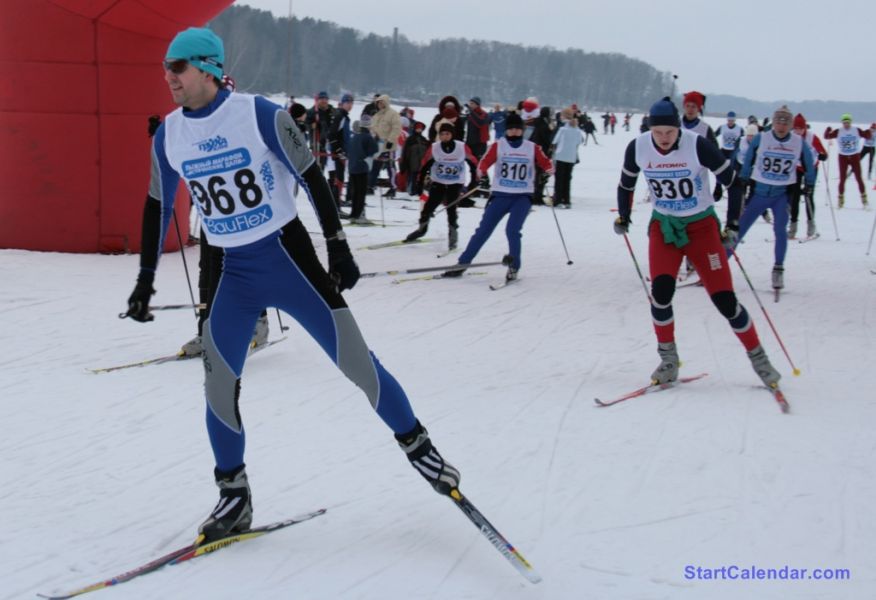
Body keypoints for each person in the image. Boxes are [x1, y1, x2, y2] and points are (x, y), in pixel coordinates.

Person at [125, 28, 460, 542]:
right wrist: (145, 279)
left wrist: (338, 243)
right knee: (218, 383)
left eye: (178, 66)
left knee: (357, 364)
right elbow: (157, 206)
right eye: (165, 66)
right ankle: (233, 497)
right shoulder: (168, 133)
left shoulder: (259, 114)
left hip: (287, 258)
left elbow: (311, 174)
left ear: (208, 69)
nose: (168, 75)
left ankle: (421, 449)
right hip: (230, 272)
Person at [613, 97, 781, 389]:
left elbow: (733, 182)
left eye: (670, 132)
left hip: (701, 229)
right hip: (664, 228)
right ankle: (668, 361)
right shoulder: (638, 146)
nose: (664, 139)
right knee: (661, 294)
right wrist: (624, 216)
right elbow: (626, 184)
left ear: (679, 128)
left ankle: (760, 360)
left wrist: (731, 224)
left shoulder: (697, 144)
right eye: (658, 133)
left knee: (725, 301)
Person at [442, 112, 554, 281]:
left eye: (517, 129)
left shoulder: (532, 147)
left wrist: (548, 171)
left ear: (522, 130)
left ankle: (514, 267)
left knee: (512, 231)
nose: (514, 132)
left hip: (522, 197)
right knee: (483, 231)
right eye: (511, 129)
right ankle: (463, 263)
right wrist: (482, 173)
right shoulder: (498, 145)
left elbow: (547, 164)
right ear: (506, 130)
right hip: (500, 195)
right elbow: (484, 162)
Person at [733, 106, 816, 291]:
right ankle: (720, 264)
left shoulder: (798, 142)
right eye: (778, 121)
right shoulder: (762, 138)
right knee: (740, 227)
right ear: (773, 121)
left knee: (780, 230)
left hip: (781, 195)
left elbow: (809, 162)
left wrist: (809, 183)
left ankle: (778, 269)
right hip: (758, 192)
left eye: (786, 122)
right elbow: (748, 158)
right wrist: (744, 177)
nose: (781, 125)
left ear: (791, 125)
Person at [404, 122, 479, 250]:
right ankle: (421, 230)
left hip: (455, 184)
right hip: (438, 183)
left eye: (447, 134)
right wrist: (419, 183)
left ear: (452, 135)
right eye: (442, 134)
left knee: (451, 210)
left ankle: (453, 237)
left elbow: (473, 163)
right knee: (427, 208)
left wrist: (473, 182)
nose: (444, 136)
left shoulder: (461, 147)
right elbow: (424, 166)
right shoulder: (434, 147)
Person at [788, 114, 828, 239]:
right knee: (794, 197)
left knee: (809, 195)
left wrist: (823, 156)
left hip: (811, 168)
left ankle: (811, 225)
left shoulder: (812, 137)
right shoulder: (791, 137)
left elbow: (823, 152)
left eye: (800, 129)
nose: (798, 131)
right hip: (797, 167)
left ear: (805, 128)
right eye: (796, 128)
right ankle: (793, 227)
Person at [824, 114, 872, 207]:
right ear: (842, 123)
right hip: (843, 157)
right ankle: (840, 199)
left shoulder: (856, 130)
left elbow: (867, 136)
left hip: (854, 156)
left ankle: (864, 198)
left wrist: (868, 132)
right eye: (844, 123)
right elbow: (827, 136)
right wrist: (828, 130)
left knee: (859, 177)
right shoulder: (839, 131)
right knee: (842, 179)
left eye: (848, 122)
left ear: (850, 122)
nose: (846, 124)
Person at [346, 116, 379, 224]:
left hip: (352, 167)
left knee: (355, 192)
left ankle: (353, 214)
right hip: (362, 167)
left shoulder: (354, 136)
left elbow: (348, 150)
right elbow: (375, 150)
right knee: (361, 192)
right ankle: (359, 215)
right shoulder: (367, 137)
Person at [368, 94, 402, 198]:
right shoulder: (376, 115)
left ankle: (393, 187)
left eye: (382, 102)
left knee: (390, 167)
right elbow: (371, 128)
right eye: (378, 102)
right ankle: (370, 186)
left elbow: (397, 128)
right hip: (377, 145)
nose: (380, 104)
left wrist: (391, 140)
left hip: (389, 145)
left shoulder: (393, 114)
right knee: (374, 167)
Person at [551, 107, 585, 208]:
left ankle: (558, 200)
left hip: (561, 156)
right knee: (567, 179)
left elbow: (555, 141)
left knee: (559, 179)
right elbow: (580, 141)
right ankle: (567, 200)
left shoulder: (562, 129)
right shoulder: (577, 130)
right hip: (571, 157)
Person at [327, 93, 354, 211]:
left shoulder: (345, 116)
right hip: (338, 153)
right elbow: (332, 135)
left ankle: (335, 205)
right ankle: (335, 207)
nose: (350, 105)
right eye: (347, 103)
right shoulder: (340, 116)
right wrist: (338, 150)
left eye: (351, 103)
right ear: (342, 103)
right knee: (339, 179)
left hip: (343, 153)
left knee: (340, 178)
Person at [713, 111, 744, 201]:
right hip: (724, 150)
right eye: (729, 120)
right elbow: (713, 136)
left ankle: (733, 188)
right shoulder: (722, 127)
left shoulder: (739, 129)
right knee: (718, 168)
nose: (730, 122)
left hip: (734, 151)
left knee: (732, 170)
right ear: (727, 120)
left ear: (735, 120)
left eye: (732, 120)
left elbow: (744, 140)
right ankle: (718, 188)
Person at [305, 91, 335, 171]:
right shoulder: (312, 112)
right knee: (316, 167)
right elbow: (305, 123)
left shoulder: (331, 111)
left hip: (328, 143)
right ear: (318, 100)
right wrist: (311, 126)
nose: (324, 101)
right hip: (316, 143)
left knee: (326, 167)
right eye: (322, 99)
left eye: (326, 99)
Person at [399, 121, 430, 196]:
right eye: (417, 128)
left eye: (420, 129)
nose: (419, 130)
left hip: (422, 163)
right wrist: (403, 163)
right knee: (412, 176)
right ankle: (411, 190)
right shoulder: (410, 139)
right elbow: (404, 152)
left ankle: (419, 190)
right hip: (412, 162)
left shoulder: (424, 140)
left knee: (421, 177)